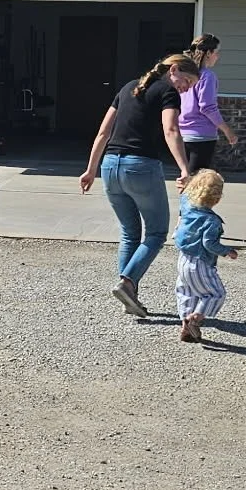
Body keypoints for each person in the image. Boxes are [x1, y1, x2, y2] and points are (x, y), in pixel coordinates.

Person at [80, 55, 200, 318]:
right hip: (141, 167)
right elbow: (171, 130)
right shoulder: (168, 91)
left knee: (129, 234)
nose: (187, 88)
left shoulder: (128, 87)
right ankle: (127, 283)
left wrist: (90, 170)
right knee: (156, 233)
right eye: (188, 81)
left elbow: (103, 133)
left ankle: (128, 295)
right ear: (175, 70)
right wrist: (184, 169)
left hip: (110, 167)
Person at [172, 168, 234, 345]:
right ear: (216, 198)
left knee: (186, 291)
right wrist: (227, 251)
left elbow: (184, 196)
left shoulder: (186, 204)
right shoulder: (211, 221)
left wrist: (186, 185)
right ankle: (196, 318)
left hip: (183, 259)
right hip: (200, 263)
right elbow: (209, 244)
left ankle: (186, 325)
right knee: (215, 293)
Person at [179, 34, 238, 172]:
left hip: (183, 135)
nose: (218, 57)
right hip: (201, 136)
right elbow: (207, 107)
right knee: (197, 183)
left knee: (187, 178)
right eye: (216, 53)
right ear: (208, 53)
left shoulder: (184, 75)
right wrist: (227, 130)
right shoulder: (207, 76)